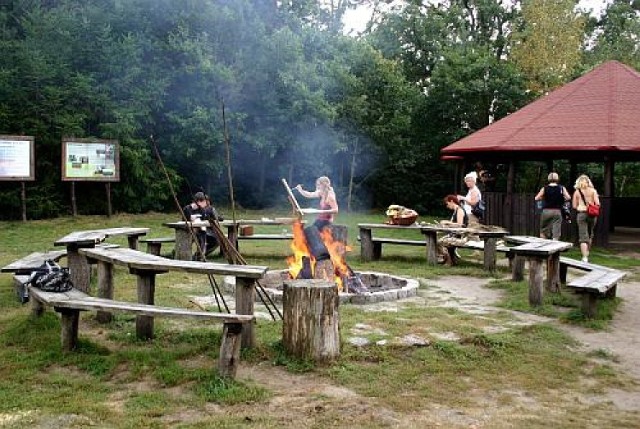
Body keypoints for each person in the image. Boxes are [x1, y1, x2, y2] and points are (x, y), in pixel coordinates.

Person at [182, 191, 224, 259]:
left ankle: (198, 256)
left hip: (201, 231)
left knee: (216, 240)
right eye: (204, 201)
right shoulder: (187, 209)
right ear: (198, 201)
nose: (206, 203)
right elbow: (185, 221)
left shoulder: (202, 210)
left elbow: (204, 220)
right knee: (198, 235)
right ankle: (184, 255)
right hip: (188, 231)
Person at [534, 172, 571, 240]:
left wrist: (543, 197)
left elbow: (536, 198)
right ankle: (554, 246)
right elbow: (568, 197)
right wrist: (562, 198)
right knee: (556, 232)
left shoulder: (544, 188)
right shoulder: (561, 188)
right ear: (557, 179)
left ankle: (544, 246)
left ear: (549, 179)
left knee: (543, 231)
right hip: (557, 211)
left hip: (546, 211)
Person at [572, 174, 600, 263]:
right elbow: (598, 204)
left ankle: (584, 257)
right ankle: (587, 253)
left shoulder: (577, 192)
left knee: (583, 236)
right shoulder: (593, 191)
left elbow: (574, 206)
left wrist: (581, 206)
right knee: (590, 234)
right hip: (592, 214)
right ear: (588, 182)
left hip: (581, 214)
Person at [437, 195, 469, 265]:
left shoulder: (460, 210)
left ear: (452, 201)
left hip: (460, 235)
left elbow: (460, 225)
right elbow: (452, 223)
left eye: (447, 203)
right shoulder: (455, 210)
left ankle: (449, 260)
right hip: (454, 234)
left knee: (441, 242)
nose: (447, 206)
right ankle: (449, 259)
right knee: (438, 242)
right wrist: (445, 223)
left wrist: (447, 223)